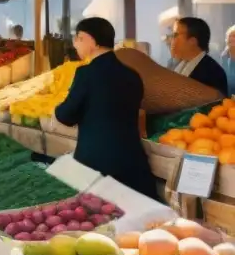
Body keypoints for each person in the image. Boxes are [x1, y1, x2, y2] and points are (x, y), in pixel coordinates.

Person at [55, 17, 157, 199]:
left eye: (78, 38)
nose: (75, 43)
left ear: (91, 41)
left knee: (103, 220)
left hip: (96, 163)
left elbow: (66, 115)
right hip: (132, 160)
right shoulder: (132, 75)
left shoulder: (86, 73)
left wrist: (57, 107)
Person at [170, 16, 229, 98]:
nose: (171, 40)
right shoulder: (176, 65)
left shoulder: (213, 72)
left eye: (175, 35)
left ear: (192, 41)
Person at [221, 25, 235, 96]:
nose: (232, 39)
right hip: (226, 99)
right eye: (230, 36)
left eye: (234, 36)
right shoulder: (224, 57)